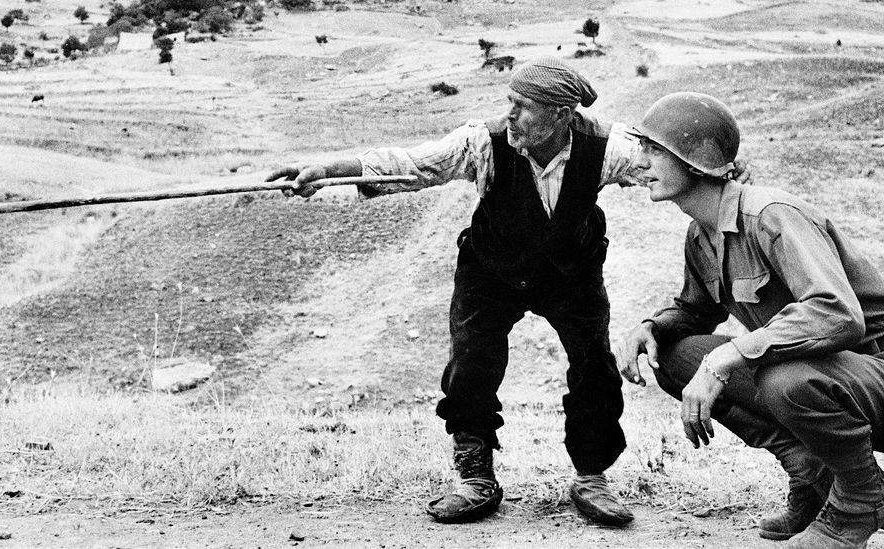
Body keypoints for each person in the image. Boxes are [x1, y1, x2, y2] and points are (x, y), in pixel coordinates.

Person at [266, 57, 646, 527]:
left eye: (523, 107)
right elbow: (410, 165)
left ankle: (591, 478)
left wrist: (724, 171)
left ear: (562, 115)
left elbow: (668, 162)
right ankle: (476, 480)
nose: (510, 115)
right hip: (490, 270)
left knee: (594, 366)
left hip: (570, 273)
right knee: (471, 365)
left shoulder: (607, 146)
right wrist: (326, 170)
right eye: (510, 102)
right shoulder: (481, 143)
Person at [615, 92, 884, 549]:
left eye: (654, 150)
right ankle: (814, 478)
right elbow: (695, 313)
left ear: (695, 162)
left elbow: (837, 314)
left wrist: (729, 357)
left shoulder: (771, 215)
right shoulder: (702, 234)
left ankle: (861, 500)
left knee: (780, 376)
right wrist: (651, 328)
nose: (640, 162)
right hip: (826, 379)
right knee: (677, 356)